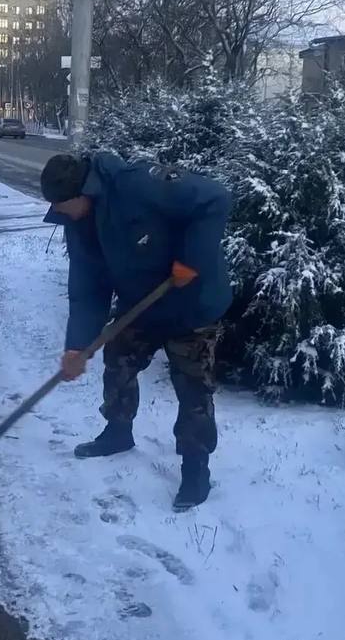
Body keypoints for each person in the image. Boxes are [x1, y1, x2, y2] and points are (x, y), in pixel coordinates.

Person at [40, 151, 233, 511]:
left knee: (193, 386)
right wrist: (77, 346)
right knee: (118, 360)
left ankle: (196, 469)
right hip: (142, 303)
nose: (60, 213)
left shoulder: (137, 184)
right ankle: (118, 432)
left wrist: (192, 259)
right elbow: (87, 287)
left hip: (192, 301)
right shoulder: (79, 223)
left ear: (84, 192)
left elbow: (214, 198)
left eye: (63, 206)